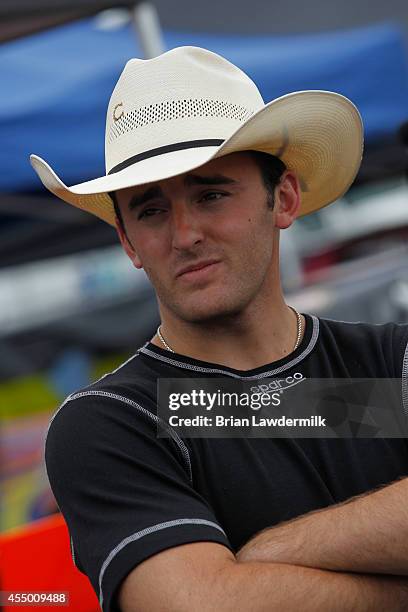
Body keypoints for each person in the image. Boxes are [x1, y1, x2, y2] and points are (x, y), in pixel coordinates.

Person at [31, 47, 408, 611]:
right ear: (129, 242)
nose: (185, 235)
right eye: (150, 210)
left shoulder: (390, 361)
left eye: (211, 195)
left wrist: (274, 549)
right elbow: (201, 606)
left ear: (283, 198)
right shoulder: (114, 423)